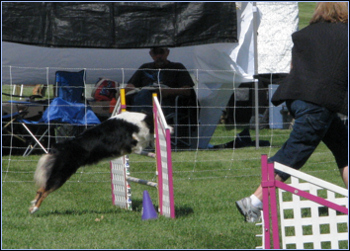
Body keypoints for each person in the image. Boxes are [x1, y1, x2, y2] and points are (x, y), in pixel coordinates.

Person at [236, 2, 348, 223]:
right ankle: (254, 201)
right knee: (295, 152)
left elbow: (294, 67)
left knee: (345, 147)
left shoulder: (303, 35)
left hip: (297, 98)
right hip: (320, 102)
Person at [125, 47, 196, 116]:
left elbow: (187, 90)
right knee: (140, 94)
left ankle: (141, 120)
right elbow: (131, 85)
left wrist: (168, 91)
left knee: (144, 94)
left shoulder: (177, 67)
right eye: (155, 53)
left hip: (167, 103)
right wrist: (130, 88)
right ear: (151, 54)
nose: (158, 56)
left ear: (167, 52)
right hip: (144, 98)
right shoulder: (145, 67)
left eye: (161, 52)